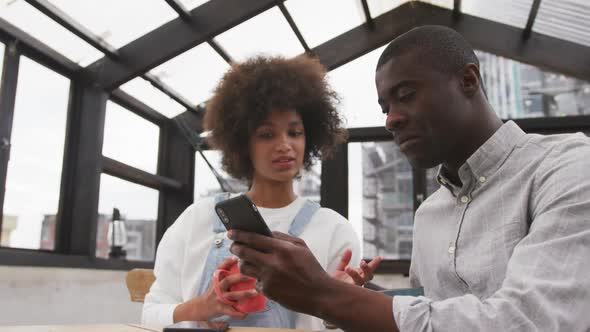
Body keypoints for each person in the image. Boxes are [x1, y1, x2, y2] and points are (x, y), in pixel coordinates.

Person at [228, 25, 590, 332]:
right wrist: (362, 292)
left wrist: (325, 295)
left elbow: (525, 320)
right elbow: (433, 307)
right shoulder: (428, 214)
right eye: (385, 108)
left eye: (406, 96)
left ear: (468, 80)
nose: (391, 120)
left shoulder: (566, 168)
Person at [141, 55, 381, 330]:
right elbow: (150, 314)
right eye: (267, 135)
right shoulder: (198, 219)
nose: (284, 145)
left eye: (295, 133)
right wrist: (201, 309)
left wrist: (336, 308)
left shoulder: (333, 229)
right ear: (243, 143)